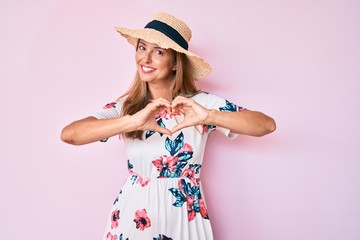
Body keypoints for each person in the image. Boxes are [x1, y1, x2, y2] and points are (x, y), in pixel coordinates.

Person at [61, 12, 276, 240]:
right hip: (134, 215)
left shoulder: (200, 104)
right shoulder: (126, 106)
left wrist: (210, 116)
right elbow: (70, 135)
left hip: (184, 216)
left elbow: (265, 125)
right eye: (142, 48)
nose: (145, 59)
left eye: (158, 52)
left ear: (175, 63)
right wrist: (133, 120)